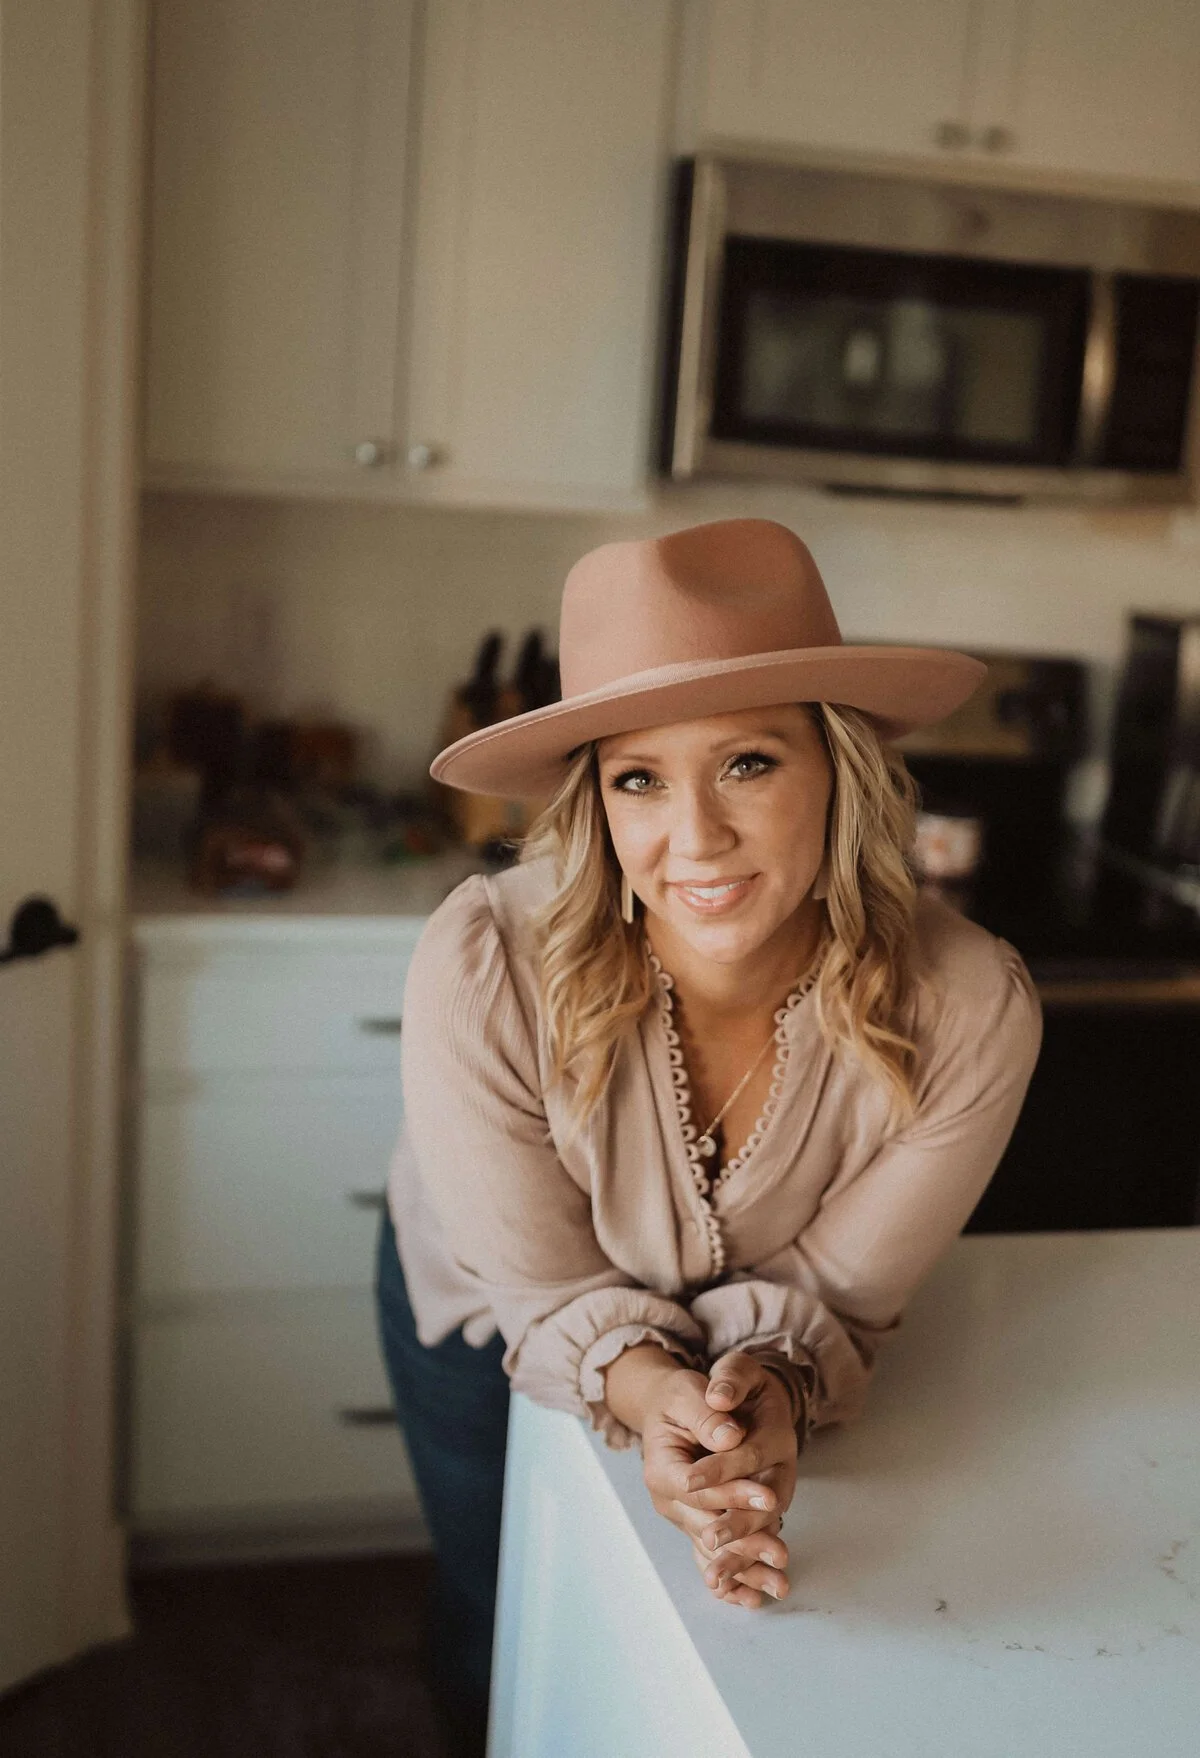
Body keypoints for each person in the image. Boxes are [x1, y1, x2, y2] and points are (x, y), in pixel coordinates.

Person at [375, 518, 1042, 1752]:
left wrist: (755, 1408)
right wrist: (646, 1387)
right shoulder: (485, 964)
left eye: (746, 762)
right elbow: (544, 1290)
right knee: (502, 1596)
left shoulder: (969, 1007)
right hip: (502, 1304)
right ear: (596, 801)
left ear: (838, 767)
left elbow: (837, 1295)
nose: (695, 837)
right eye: (639, 778)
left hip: (777, 1332)